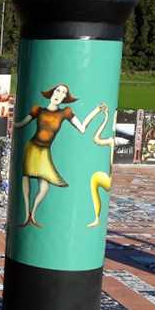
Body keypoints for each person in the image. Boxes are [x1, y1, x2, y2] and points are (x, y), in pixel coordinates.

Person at [13, 83, 102, 227]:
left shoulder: (65, 112)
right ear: (52, 92)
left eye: (63, 93)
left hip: (44, 151)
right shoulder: (38, 110)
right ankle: (25, 215)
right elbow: (21, 124)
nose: (59, 94)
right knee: (26, 177)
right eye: (57, 91)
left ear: (65, 98)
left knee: (44, 187)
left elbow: (82, 128)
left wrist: (96, 111)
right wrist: (6, 119)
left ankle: (33, 213)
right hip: (32, 147)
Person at [88, 104, 114, 227]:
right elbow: (96, 139)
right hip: (110, 178)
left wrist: (106, 117)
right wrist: (105, 118)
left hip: (111, 179)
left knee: (95, 179)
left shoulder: (111, 141)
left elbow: (95, 139)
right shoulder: (111, 140)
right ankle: (97, 218)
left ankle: (97, 218)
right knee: (95, 179)